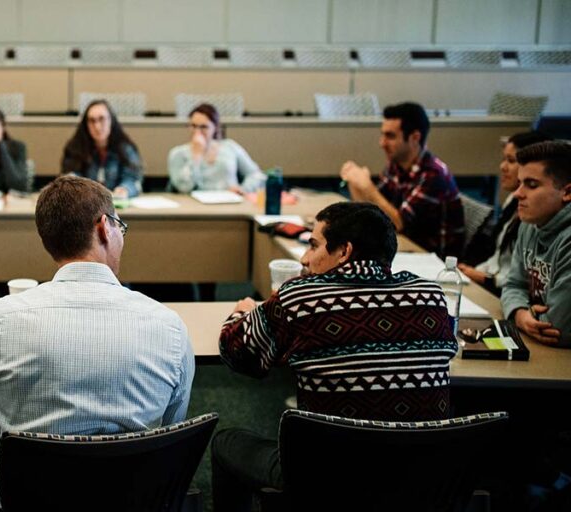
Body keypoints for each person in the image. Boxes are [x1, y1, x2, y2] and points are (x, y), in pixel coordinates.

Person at [0, 175, 195, 509]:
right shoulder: (170, 328)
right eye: (120, 228)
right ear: (103, 227)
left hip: (26, 501)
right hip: (133, 499)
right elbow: (168, 435)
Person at [211, 201, 458, 511]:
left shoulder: (301, 296)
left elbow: (237, 353)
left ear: (344, 252)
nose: (303, 257)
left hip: (326, 478)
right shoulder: (432, 297)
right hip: (423, 476)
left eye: (313, 245)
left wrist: (243, 313)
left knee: (226, 441)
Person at [339, 102, 465, 258]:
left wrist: (367, 187)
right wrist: (355, 183)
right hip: (404, 248)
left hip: (431, 261)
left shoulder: (434, 175)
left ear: (414, 138)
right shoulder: (397, 165)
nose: (382, 143)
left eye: (390, 136)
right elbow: (374, 213)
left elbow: (399, 224)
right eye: (382, 135)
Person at [459, 131, 552, 295]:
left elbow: (521, 280)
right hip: (497, 286)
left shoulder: (536, 215)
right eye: (504, 159)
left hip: (500, 290)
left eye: (511, 160)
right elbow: (498, 258)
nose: (502, 167)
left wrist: (483, 277)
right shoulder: (513, 201)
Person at [502, 140, 571, 347]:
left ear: (567, 193)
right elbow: (512, 284)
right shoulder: (530, 224)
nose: (517, 193)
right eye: (520, 183)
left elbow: (557, 329)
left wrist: (522, 311)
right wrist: (522, 314)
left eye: (531, 185)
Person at [168, 103, 265, 194]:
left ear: (215, 128)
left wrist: (243, 189)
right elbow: (184, 187)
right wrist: (196, 156)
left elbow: (257, 175)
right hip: (194, 207)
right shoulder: (178, 153)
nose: (197, 131)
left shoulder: (230, 147)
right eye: (193, 126)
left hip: (229, 203)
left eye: (204, 127)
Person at [61, 99, 142, 198]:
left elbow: (133, 180)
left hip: (116, 206)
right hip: (85, 206)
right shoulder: (75, 147)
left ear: (111, 121)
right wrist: (73, 184)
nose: (97, 126)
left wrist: (124, 189)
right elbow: (69, 177)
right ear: (86, 125)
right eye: (92, 121)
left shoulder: (125, 149)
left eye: (102, 119)